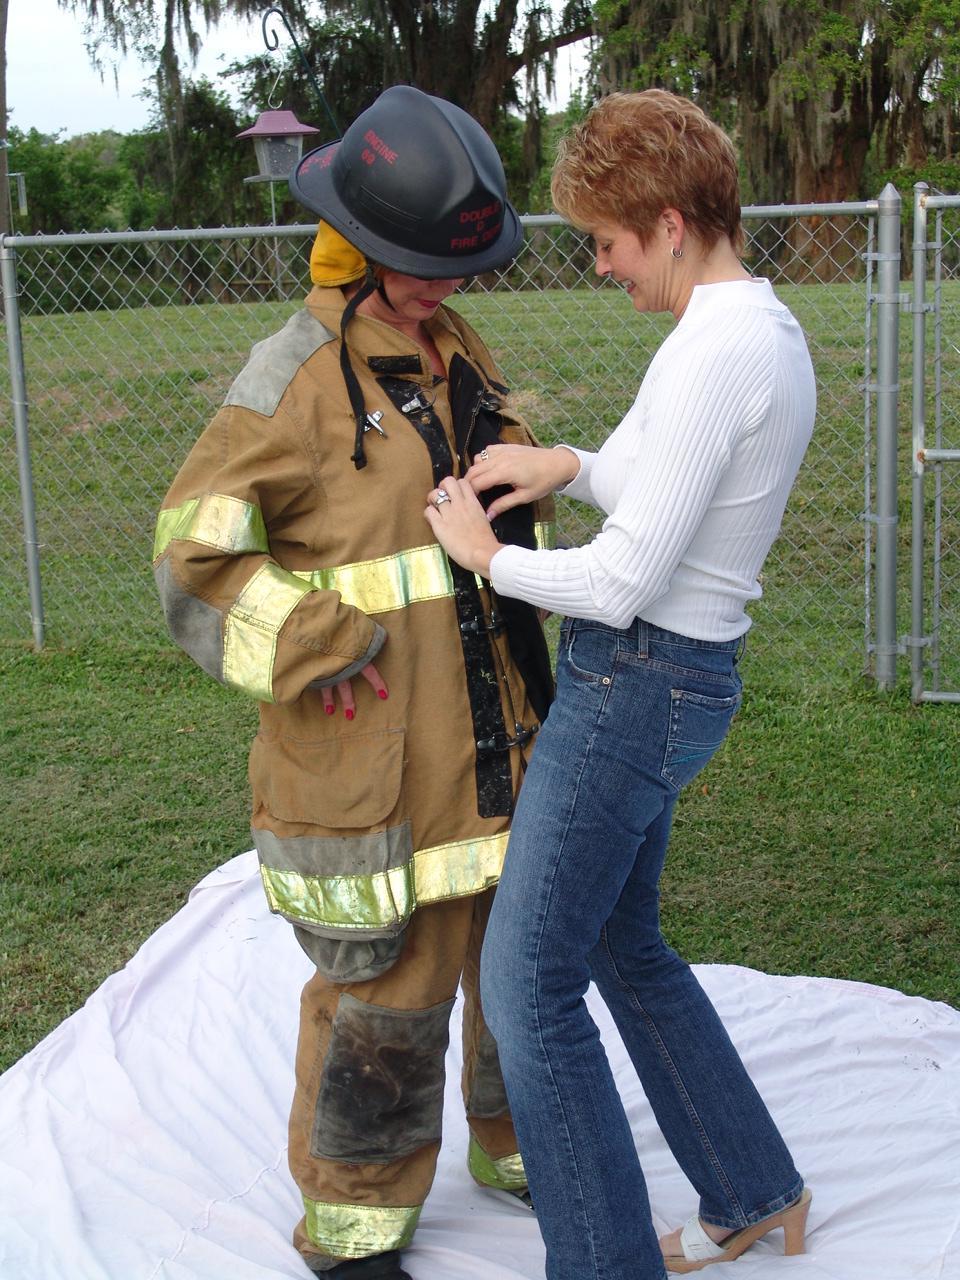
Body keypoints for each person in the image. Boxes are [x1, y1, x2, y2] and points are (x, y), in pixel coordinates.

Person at [153, 85, 555, 1279]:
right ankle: (356, 1221)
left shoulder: (447, 345)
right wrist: (309, 643)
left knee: (516, 966)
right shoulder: (292, 377)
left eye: (456, 265)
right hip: (381, 763)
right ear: (365, 247)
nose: (444, 285)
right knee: (391, 986)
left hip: (499, 738)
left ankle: (520, 1139)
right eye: (422, 263)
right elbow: (193, 555)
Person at [424, 88, 817, 1279]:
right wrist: (572, 460)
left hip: (636, 681)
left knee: (526, 981)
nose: (600, 265)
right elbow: (663, 494)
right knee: (623, 945)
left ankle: (603, 1263)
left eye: (606, 241)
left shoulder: (719, 350)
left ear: (671, 220)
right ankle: (754, 1189)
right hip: (680, 679)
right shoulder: (751, 329)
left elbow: (628, 575)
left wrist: (492, 559)